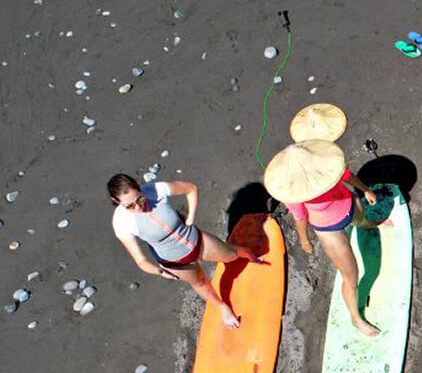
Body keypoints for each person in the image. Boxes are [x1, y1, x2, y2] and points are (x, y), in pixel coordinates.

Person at [264, 138, 387, 337]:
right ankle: (356, 319)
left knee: (363, 221)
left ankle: (369, 224)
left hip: (350, 205)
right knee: (351, 277)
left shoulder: (327, 166)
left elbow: (347, 175)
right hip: (329, 229)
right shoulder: (295, 192)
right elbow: (300, 218)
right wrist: (304, 240)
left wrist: (366, 190)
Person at [108, 174, 256, 328]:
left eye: (139, 199)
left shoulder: (154, 190)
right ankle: (222, 307)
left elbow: (191, 189)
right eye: (129, 206)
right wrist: (159, 271)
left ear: (139, 189)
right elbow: (140, 260)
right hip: (174, 262)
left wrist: (190, 218)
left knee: (231, 255)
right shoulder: (121, 222)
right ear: (116, 201)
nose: (138, 208)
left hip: (196, 240)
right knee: (199, 282)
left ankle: (252, 255)